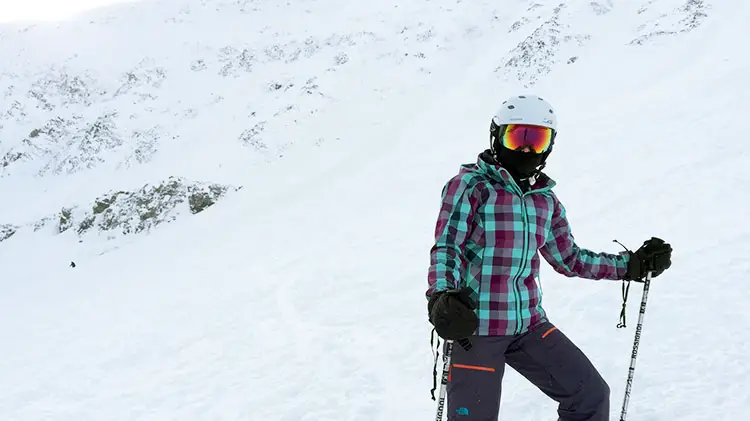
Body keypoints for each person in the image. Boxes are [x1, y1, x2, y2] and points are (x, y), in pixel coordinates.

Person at [426, 94, 672, 421]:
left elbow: (569, 258)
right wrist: (441, 295)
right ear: (496, 136)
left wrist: (631, 265)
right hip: (476, 329)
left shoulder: (545, 201)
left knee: (590, 395)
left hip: (529, 325)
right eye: (517, 136)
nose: (527, 149)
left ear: (549, 145)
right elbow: (447, 247)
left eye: (537, 139)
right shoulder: (471, 186)